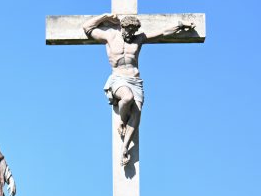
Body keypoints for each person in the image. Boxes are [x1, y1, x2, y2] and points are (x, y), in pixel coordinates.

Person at [81, 13, 195, 167]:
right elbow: (87, 28)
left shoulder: (138, 39)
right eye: (129, 31)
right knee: (126, 98)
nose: (131, 34)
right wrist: (106, 17)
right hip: (118, 79)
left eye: (133, 31)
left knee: (137, 113)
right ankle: (121, 121)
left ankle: (125, 148)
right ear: (122, 27)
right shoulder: (110, 37)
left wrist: (180, 26)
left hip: (135, 81)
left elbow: (162, 33)